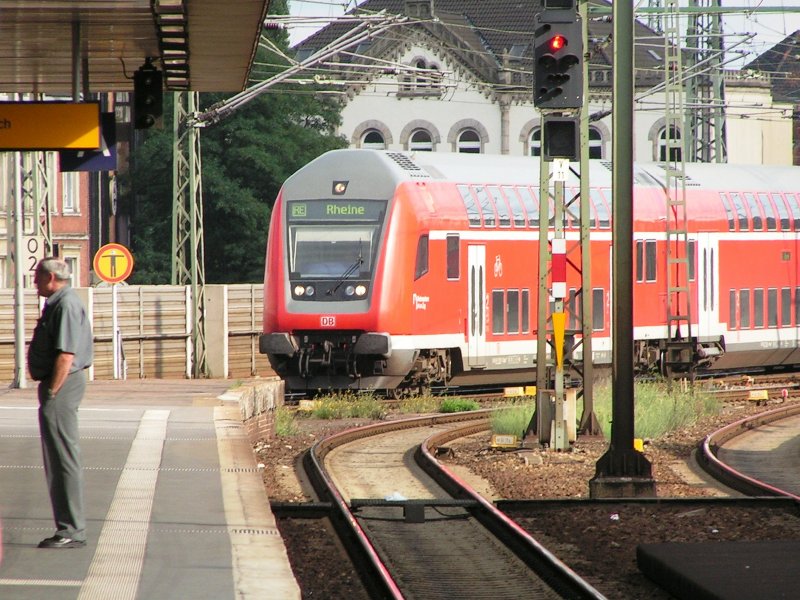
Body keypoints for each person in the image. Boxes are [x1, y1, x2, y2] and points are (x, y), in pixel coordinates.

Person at [27, 257, 93, 549]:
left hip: (63, 385)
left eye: (38, 276)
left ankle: (72, 530)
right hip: (59, 384)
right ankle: (67, 526)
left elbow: (66, 355)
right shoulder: (59, 302)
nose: (35, 282)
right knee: (57, 458)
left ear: (52, 277)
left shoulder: (65, 305)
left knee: (63, 458)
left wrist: (53, 391)